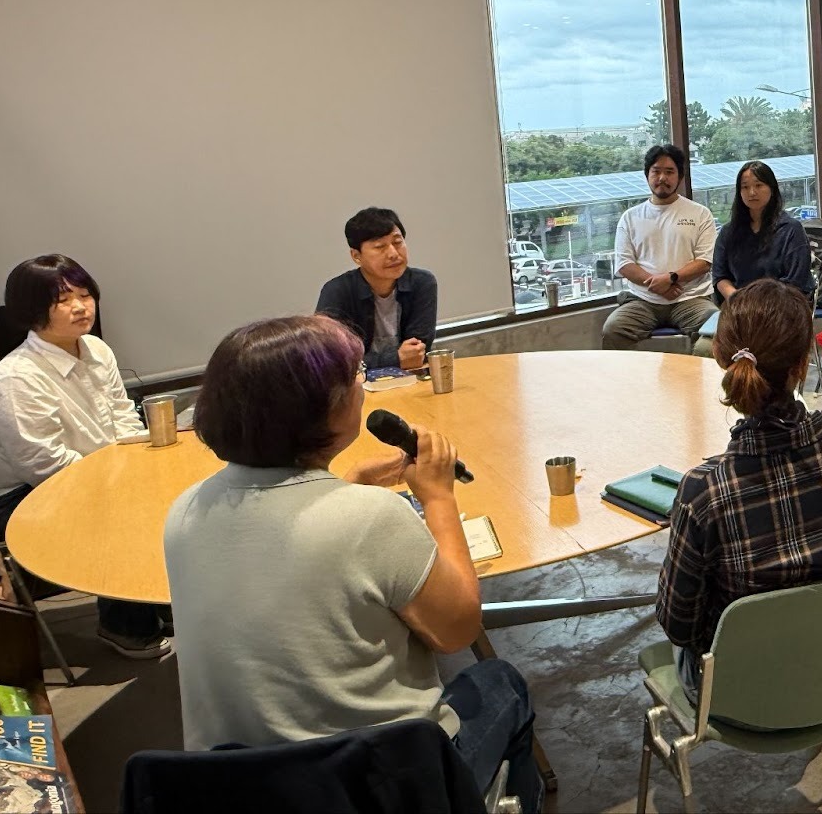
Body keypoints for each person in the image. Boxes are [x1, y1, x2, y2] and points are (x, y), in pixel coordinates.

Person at [163, 315, 541, 810]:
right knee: (501, 683)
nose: (362, 384)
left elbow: (289, 556)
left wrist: (348, 484)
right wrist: (438, 497)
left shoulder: (185, 510)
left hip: (237, 789)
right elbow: (457, 629)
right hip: (372, 789)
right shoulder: (371, 517)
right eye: (356, 375)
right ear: (323, 408)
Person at [657, 278, 822, 702]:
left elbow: (679, 625)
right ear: (804, 365)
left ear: (720, 358)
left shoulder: (705, 492)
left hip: (745, 699)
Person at [0, 255, 172, 659]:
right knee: (120, 511)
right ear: (31, 310)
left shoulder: (96, 348)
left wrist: (144, 466)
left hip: (92, 469)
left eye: (85, 295)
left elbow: (121, 415)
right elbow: (43, 464)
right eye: (62, 300)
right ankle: (123, 624)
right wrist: (116, 484)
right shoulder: (16, 377)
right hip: (15, 496)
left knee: (165, 489)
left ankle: (159, 599)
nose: (81, 307)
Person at [601, 145, 718, 350]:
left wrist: (671, 278)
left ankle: (697, 371)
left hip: (691, 299)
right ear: (647, 175)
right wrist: (657, 285)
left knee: (717, 331)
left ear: (680, 177)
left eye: (669, 172)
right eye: (656, 171)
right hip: (643, 301)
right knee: (613, 329)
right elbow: (625, 264)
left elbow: (705, 261)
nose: (662, 178)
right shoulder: (630, 217)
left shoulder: (700, 213)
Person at [694, 161, 813, 357]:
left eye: (758, 185)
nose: (752, 192)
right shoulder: (729, 232)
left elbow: (795, 282)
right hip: (739, 309)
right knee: (704, 348)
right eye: (745, 187)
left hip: (780, 310)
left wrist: (757, 306)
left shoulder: (791, 230)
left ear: (772, 188)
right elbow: (720, 276)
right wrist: (736, 298)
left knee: (761, 350)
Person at [316, 208, 438, 372]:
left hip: (410, 378)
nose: (393, 254)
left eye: (397, 242)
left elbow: (416, 352)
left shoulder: (422, 283)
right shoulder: (337, 291)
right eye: (380, 247)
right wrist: (395, 359)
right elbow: (329, 359)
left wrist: (403, 358)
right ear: (356, 256)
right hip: (357, 383)